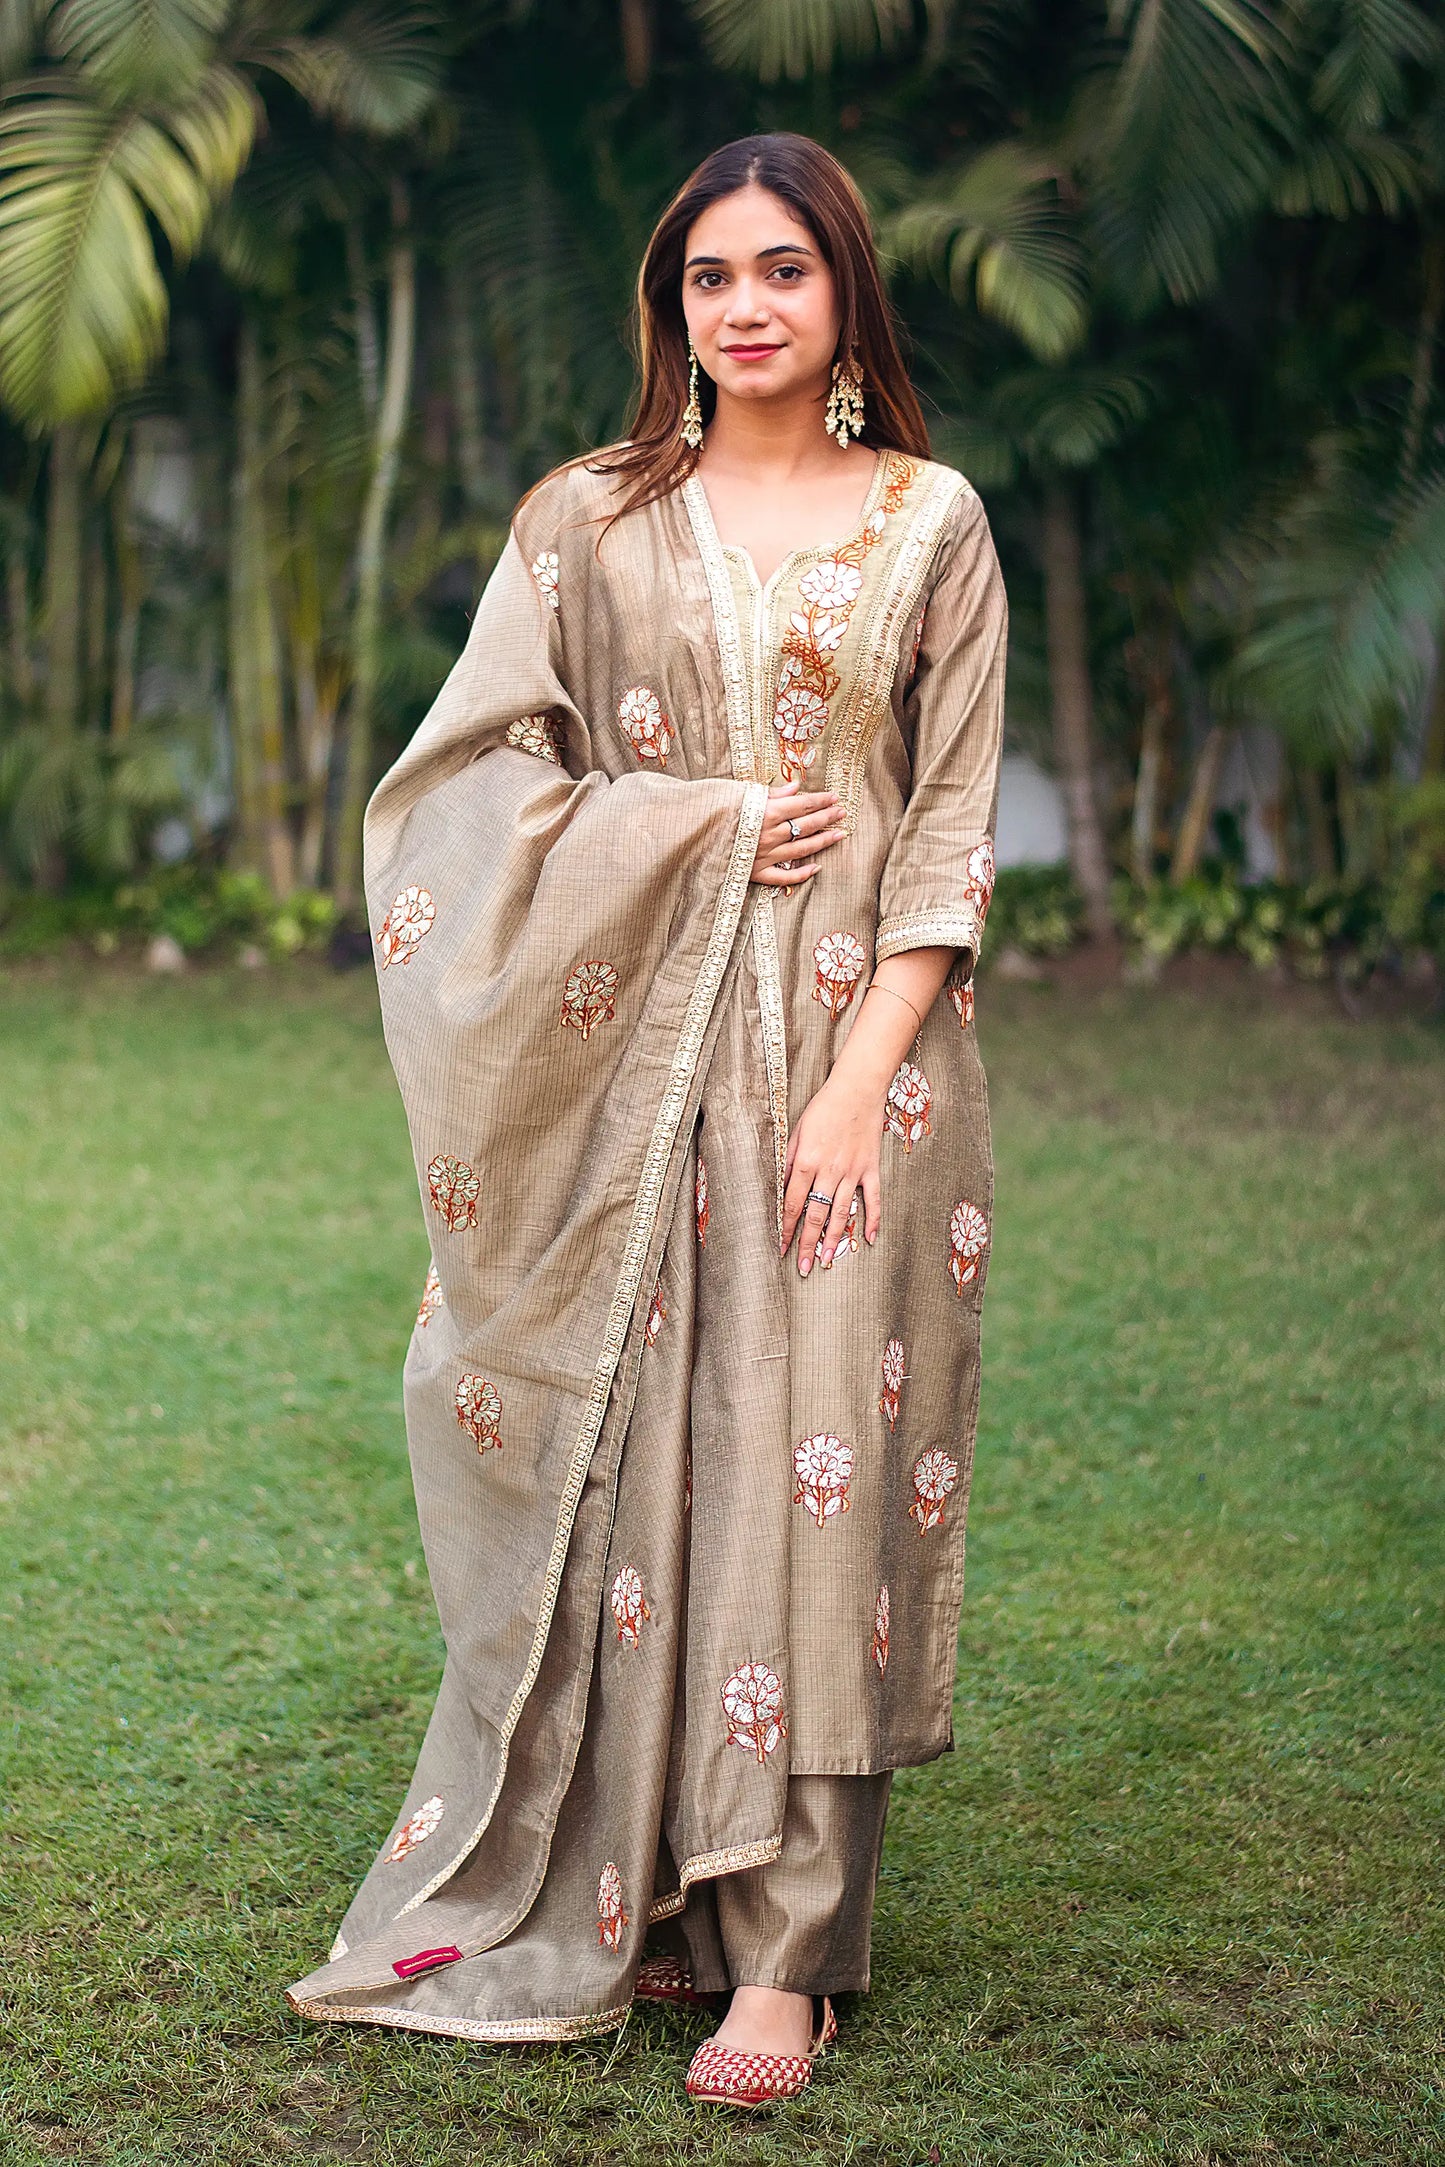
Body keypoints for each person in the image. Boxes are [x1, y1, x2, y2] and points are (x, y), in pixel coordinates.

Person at [285, 130, 1006, 2109]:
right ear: (671, 307)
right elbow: (458, 794)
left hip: (871, 1070)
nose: (748, 305)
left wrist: (857, 1094)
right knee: (661, 1466)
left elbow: (944, 845)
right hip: (645, 1069)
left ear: (846, 292)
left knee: (820, 1470)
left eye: (784, 269)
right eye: (710, 277)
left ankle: (789, 1948)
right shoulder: (587, 522)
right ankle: (663, 1889)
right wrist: (680, 827)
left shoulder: (933, 521)